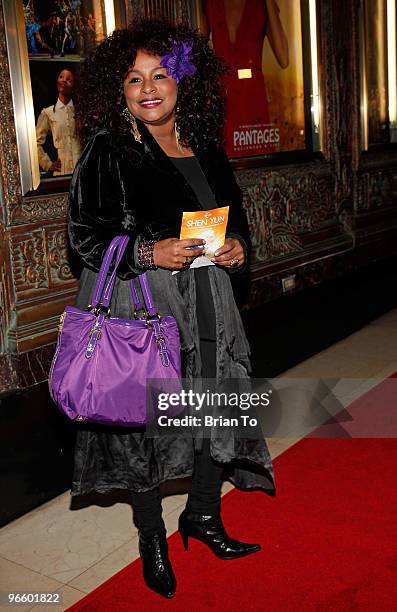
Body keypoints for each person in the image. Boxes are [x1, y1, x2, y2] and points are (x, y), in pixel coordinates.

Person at [68, 18, 274, 599]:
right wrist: (146, 250)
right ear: (119, 89)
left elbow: (233, 217)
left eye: (160, 74)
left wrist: (238, 247)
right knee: (148, 422)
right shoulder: (109, 150)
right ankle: (152, 536)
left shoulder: (204, 146)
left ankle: (203, 514)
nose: (148, 88)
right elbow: (84, 237)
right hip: (146, 308)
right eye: (134, 79)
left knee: (212, 403)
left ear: (184, 81)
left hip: (209, 298)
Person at [201, 0, 289, 157]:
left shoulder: (261, 5)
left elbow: (284, 59)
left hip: (253, 99)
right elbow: (196, 55)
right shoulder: (210, 4)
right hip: (223, 99)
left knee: (259, 163)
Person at [36, 68, 81, 176]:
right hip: (62, 171)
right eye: (61, 77)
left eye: (69, 79)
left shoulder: (80, 111)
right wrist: (47, 164)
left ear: (74, 86)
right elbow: (35, 143)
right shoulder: (48, 113)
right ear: (57, 82)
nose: (64, 80)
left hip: (82, 169)